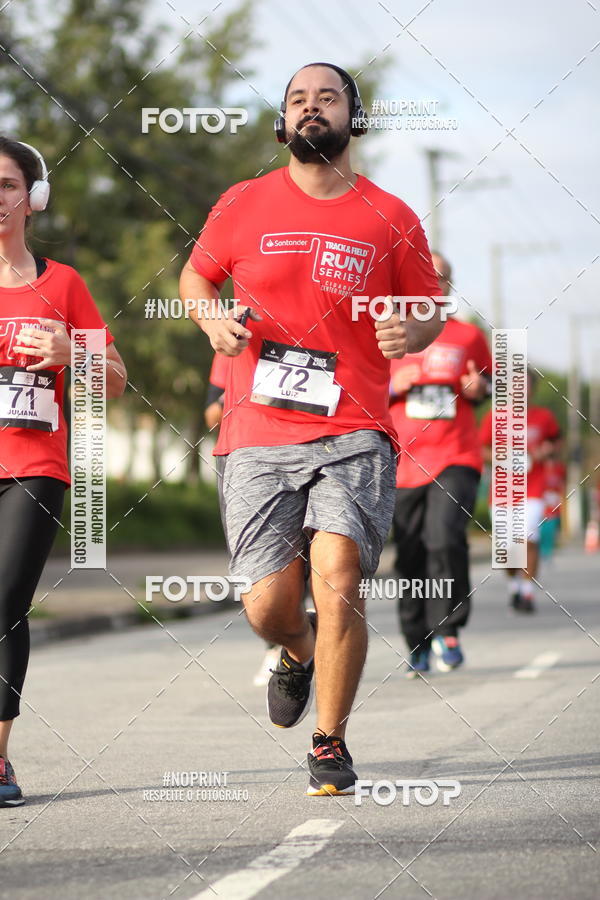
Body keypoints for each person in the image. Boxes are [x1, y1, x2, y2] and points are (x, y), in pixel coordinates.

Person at [180, 62, 443, 795]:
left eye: (328, 98)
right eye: (297, 99)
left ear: (352, 119)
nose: (311, 108)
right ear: (283, 122)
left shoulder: (391, 215)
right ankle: (295, 650)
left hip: (355, 425)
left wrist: (409, 329)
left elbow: (430, 309)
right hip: (257, 426)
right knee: (267, 602)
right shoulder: (243, 202)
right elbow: (197, 278)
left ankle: (330, 741)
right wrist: (210, 320)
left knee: (341, 579)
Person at [0, 137, 127, 807]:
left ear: (32, 198)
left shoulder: (63, 285)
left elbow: (114, 381)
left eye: (4, 184)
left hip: (33, 466)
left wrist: (70, 349)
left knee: (2, 604)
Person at [389, 252, 492, 677]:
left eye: (442, 277)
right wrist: (395, 384)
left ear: (450, 285)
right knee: (409, 553)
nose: (433, 283)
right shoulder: (388, 334)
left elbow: (491, 383)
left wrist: (478, 387)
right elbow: (354, 386)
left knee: (444, 538)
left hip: (455, 456)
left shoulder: (467, 335)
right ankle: (417, 642)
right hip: (400, 463)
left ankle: (449, 631)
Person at [204, 352, 280, 686]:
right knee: (255, 560)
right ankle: (277, 644)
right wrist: (225, 403)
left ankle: (304, 641)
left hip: (311, 447)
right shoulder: (234, 334)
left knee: (310, 555)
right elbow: (210, 415)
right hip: (246, 454)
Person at [480, 370, 561, 612]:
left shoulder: (544, 417)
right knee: (506, 546)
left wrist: (547, 451)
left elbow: (557, 442)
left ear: (532, 389)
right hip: (503, 490)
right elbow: (480, 448)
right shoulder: (495, 417)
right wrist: (498, 457)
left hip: (532, 489)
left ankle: (527, 594)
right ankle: (514, 584)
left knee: (527, 539)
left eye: (525, 385)